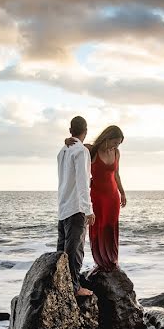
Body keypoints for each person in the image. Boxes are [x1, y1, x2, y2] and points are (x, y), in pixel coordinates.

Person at [66, 125, 126, 272]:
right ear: (107, 138)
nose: (116, 146)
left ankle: (112, 260)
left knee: (111, 228)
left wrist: (122, 193)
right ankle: (100, 261)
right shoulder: (91, 150)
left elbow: (116, 174)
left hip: (112, 196)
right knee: (97, 227)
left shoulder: (116, 153)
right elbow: (75, 144)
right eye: (115, 142)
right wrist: (67, 140)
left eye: (118, 143)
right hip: (97, 196)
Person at [56, 116, 95, 296]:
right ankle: (74, 288)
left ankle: (61, 284)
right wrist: (88, 210)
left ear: (70, 130)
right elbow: (81, 182)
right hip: (76, 207)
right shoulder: (80, 151)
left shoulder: (63, 151)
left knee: (62, 251)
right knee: (75, 250)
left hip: (63, 207)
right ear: (85, 131)